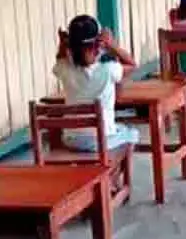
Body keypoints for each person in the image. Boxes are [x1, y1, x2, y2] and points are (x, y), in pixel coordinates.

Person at [53, 15, 140, 151]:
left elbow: (60, 58)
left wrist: (63, 44)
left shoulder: (65, 69)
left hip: (71, 139)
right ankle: (118, 170)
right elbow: (132, 64)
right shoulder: (109, 69)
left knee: (117, 130)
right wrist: (112, 45)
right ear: (98, 44)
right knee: (132, 132)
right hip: (100, 141)